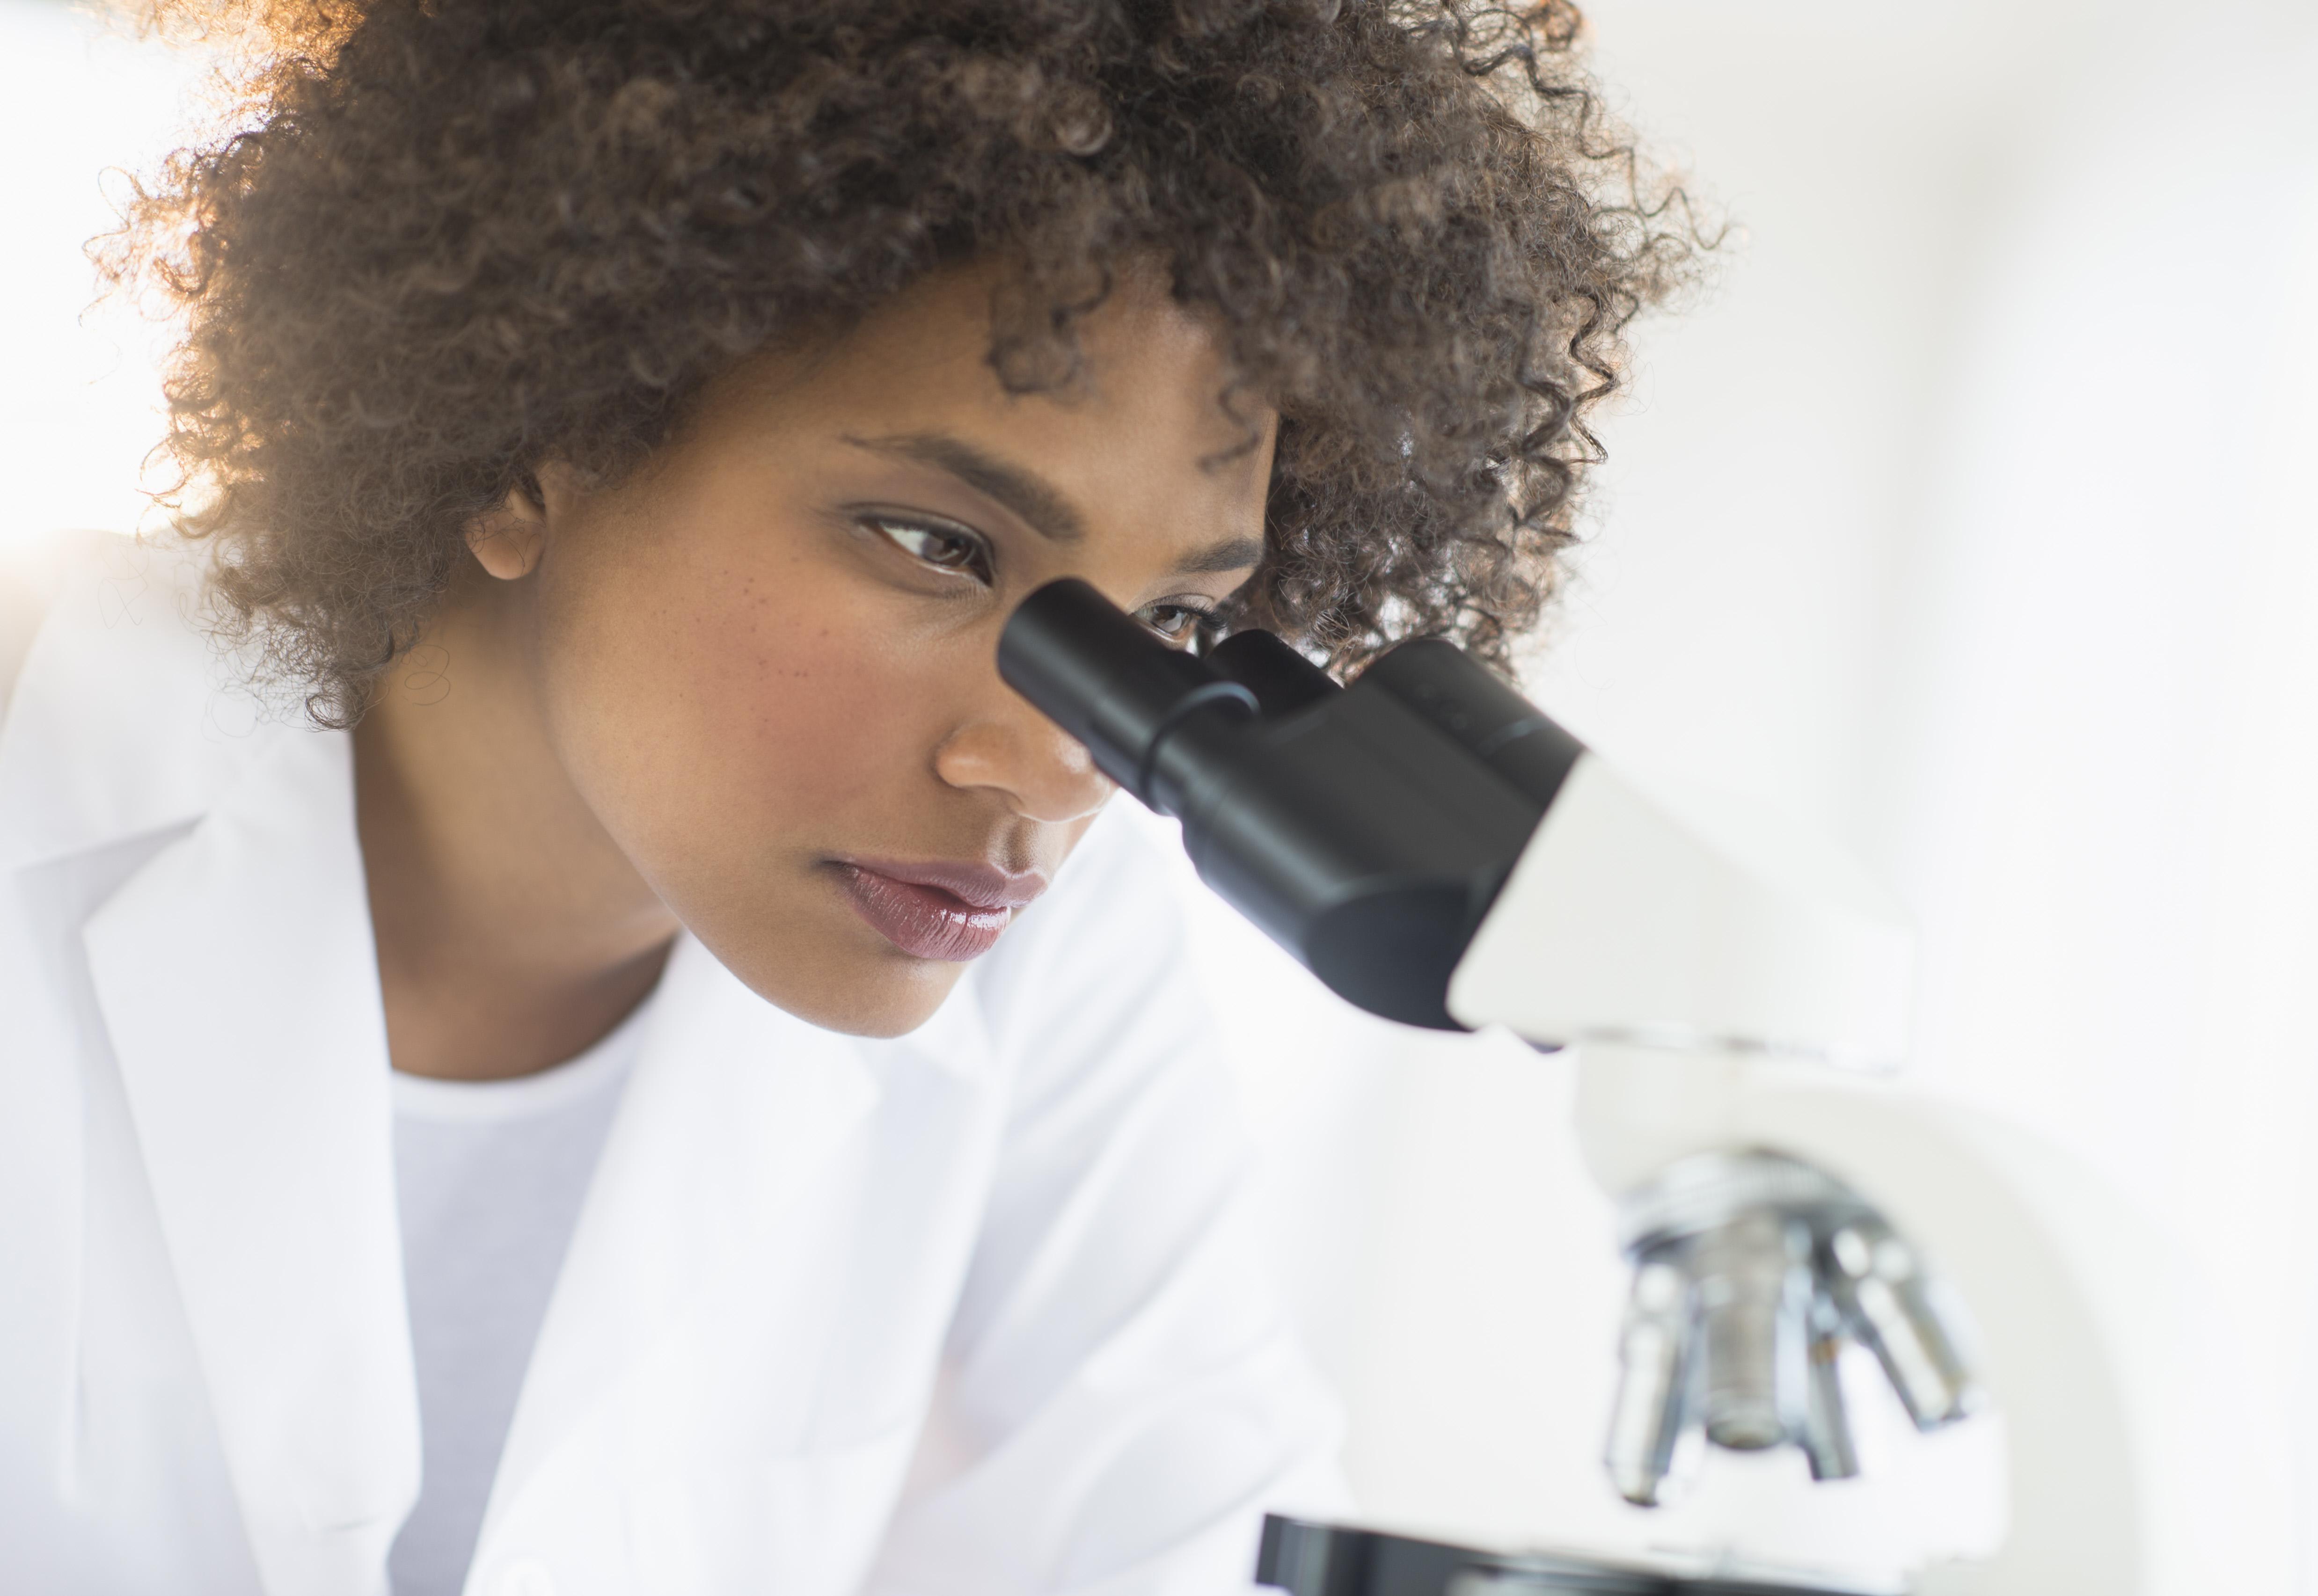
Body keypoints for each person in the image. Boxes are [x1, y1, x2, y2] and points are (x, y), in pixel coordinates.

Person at [0, 2, 1696, 1593]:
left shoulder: (1044, 945)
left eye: (1172, 621)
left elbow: (1175, 1504)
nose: (1054, 768)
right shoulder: (39, 734)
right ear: (536, 432)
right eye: (938, 545)